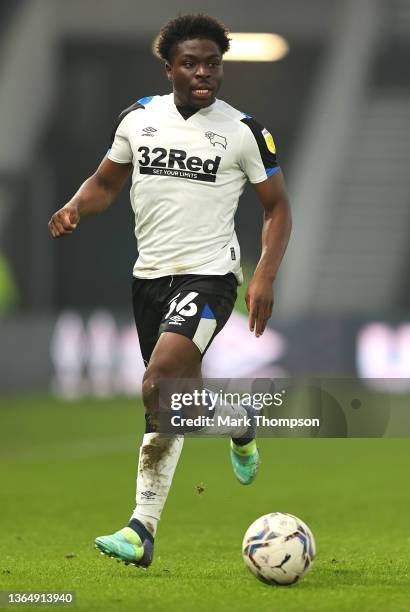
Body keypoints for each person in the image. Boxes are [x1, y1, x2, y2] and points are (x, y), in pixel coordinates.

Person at [48, 13, 292, 568]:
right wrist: (75, 206)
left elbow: (277, 207)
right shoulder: (139, 119)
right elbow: (107, 182)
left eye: (213, 63)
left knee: (158, 382)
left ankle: (141, 529)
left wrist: (263, 275)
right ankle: (236, 418)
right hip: (149, 279)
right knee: (178, 403)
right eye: (192, 63)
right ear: (169, 68)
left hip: (209, 277)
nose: (204, 72)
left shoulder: (243, 131)